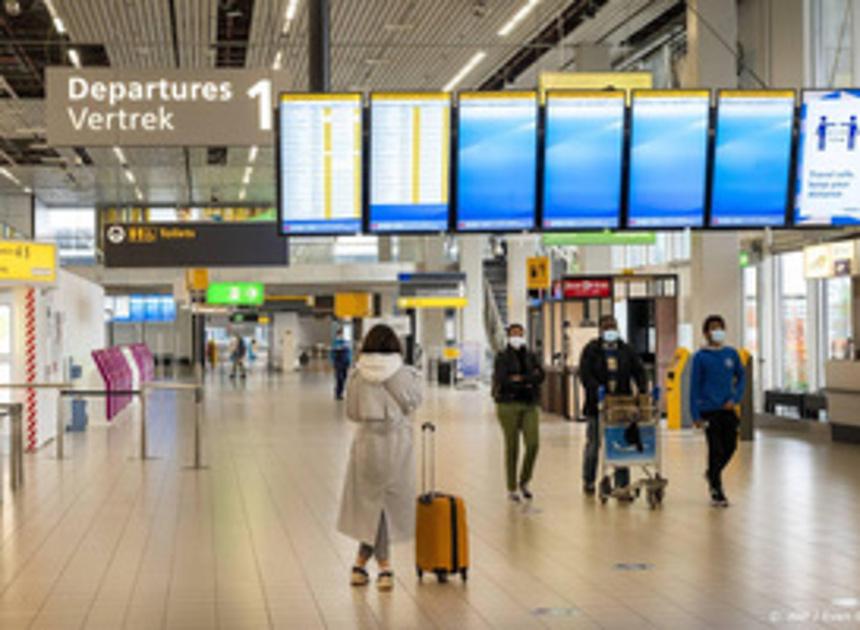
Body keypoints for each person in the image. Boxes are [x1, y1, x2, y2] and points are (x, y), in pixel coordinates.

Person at [337, 324, 423, 592]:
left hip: (367, 445)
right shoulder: (404, 373)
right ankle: (384, 567)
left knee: (371, 504)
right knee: (384, 506)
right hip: (397, 444)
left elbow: (351, 412)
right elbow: (414, 402)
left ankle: (360, 564)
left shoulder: (357, 375)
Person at [579, 315, 648, 496]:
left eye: (613, 326)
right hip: (597, 405)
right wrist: (597, 390)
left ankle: (622, 483)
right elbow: (585, 374)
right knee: (594, 443)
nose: (610, 330)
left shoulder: (626, 350)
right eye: (606, 327)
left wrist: (642, 390)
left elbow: (639, 371)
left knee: (620, 442)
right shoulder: (591, 350)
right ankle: (589, 480)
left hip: (621, 404)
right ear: (600, 330)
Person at [690, 315, 746, 508]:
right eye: (713, 328)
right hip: (709, 411)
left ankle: (712, 473)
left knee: (730, 447)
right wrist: (695, 414)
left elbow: (741, 377)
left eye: (720, 327)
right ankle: (717, 489)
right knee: (716, 448)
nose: (717, 331)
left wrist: (735, 398)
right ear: (706, 333)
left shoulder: (731, 354)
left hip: (727, 409)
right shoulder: (700, 357)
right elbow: (694, 387)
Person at [492, 323, 545, 502]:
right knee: (512, 446)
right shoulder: (502, 357)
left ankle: (524, 480)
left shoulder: (531, 355)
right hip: (508, 404)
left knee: (533, 443)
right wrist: (528, 379)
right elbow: (503, 379)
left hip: (529, 403)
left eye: (520, 333)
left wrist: (521, 378)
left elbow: (541, 375)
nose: (517, 336)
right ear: (508, 336)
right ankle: (511, 486)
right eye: (514, 333)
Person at [330, 328, 353, 400]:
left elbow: (349, 353)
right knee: (339, 378)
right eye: (339, 334)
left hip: (345, 363)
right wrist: (333, 362)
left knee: (344, 378)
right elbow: (332, 354)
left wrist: (349, 361)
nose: (341, 336)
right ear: (337, 335)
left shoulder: (346, 343)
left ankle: (341, 393)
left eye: (342, 334)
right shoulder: (335, 343)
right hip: (338, 363)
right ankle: (338, 394)